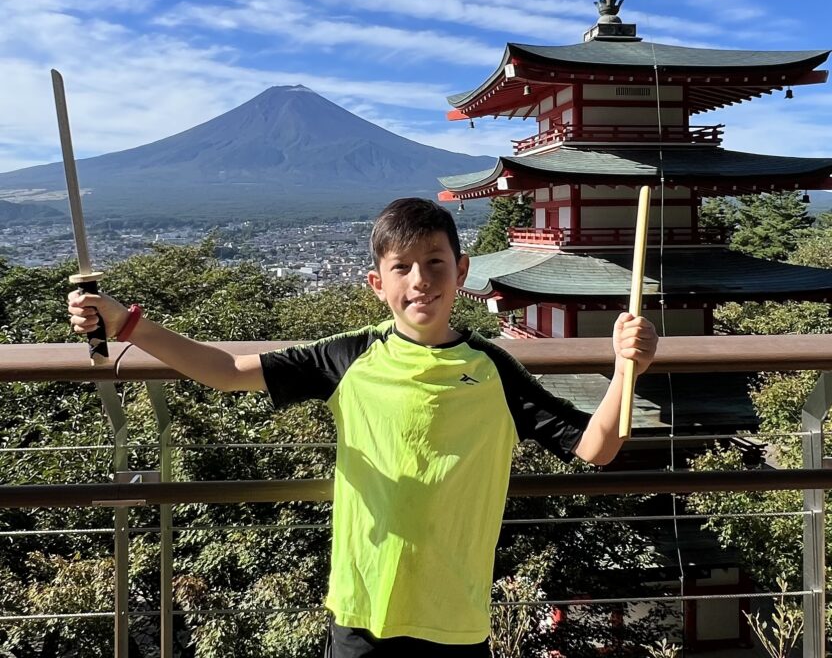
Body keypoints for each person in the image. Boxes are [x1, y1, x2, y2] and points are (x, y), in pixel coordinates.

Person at [68, 197, 658, 657]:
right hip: (360, 609)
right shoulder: (346, 358)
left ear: (463, 271)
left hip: (455, 617)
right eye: (401, 268)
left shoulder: (494, 371)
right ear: (378, 284)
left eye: (435, 263)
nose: (420, 280)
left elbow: (595, 448)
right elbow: (224, 371)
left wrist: (626, 371)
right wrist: (128, 324)